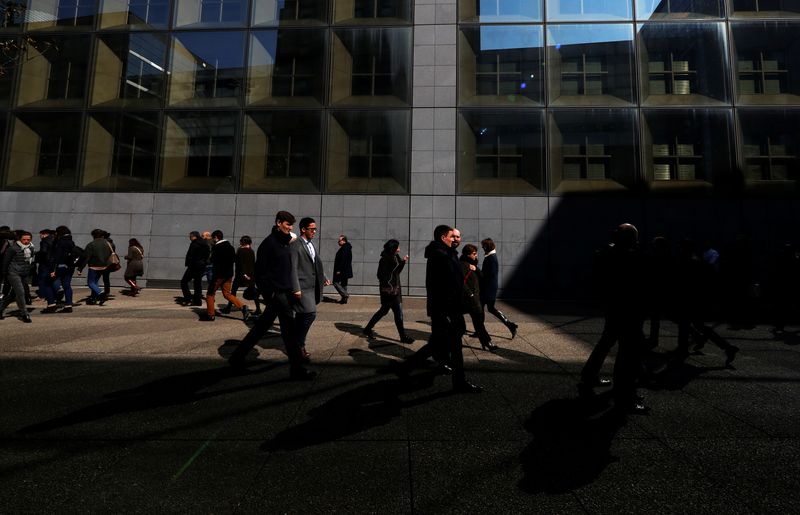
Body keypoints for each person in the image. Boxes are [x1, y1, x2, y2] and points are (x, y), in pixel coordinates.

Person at [228, 211, 316, 380]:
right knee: (289, 333)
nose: (290, 228)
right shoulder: (269, 244)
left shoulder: (286, 243)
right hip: (278, 295)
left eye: (291, 225)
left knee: (260, 328)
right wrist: (271, 294)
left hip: (284, 293)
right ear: (278, 223)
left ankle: (236, 358)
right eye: (287, 224)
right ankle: (297, 370)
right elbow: (260, 273)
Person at [398, 225, 482, 393]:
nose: (455, 239)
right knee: (451, 345)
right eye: (452, 236)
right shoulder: (442, 256)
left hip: (447, 309)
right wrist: (447, 312)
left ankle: (410, 366)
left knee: (439, 343)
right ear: (444, 237)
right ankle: (459, 382)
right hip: (447, 309)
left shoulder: (445, 254)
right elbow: (443, 287)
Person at [291, 217, 331, 361]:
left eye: (315, 229)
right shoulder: (296, 245)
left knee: (302, 316)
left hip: (312, 286)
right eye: (311, 229)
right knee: (310, 314)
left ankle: (296, 343)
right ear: (303, 229)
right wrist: (296, 288)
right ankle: (299, 345)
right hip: (302, 287)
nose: (314, 231)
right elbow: (293, 268)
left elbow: (315, 262)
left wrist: (324, 276)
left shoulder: (311, 244)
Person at [362, 239, 414, 343]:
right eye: (397, 247)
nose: (399, 250)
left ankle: (368, 329)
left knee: (386, 311)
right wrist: (390, 285)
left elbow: (397, 272)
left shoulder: (395, 257)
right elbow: (380, 275)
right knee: (395, 313)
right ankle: (403, 337)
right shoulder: (384, 259)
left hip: (395, 290)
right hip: (389, 292)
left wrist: (403, 262)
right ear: (393, 249)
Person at [202, 230, 249, 322]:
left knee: (210, 294)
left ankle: (211, 315)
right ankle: (243, 307)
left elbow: (212, 260)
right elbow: (234, 260)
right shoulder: (230, 247)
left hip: (218, 275)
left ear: (216, 237)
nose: (212, 239)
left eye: (213, 238)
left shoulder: (216, 247)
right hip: (228, 275)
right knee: (227, 294)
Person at [460, 244, 497, 351]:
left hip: (474, 300)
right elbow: (461, 282)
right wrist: (470, 293)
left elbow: (483, 278)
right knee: (460, 325)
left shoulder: (473, 265)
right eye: (474, 254)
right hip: (467, 300)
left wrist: (476, 269)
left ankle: (487, 342)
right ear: (468, 254)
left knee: (478, 323)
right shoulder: (463, 265)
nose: (476, 256)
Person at [480, 238, 518, 338]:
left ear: (487, 246)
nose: (482, 247)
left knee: (482, 308)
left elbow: (490, 274)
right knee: (489, 308)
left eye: (483, 246)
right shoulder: (491, 256)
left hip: (487, 289)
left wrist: (479, 273)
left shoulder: (491, 258)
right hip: (489, 288)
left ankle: (480, 330)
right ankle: (510, 325)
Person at [221, 236, 261, 316]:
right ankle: (258, 308)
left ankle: (228, 307)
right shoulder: (251, 251)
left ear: (242, 242)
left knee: (233, 291)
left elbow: (240, 264)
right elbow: (252, 263)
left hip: (241, 275)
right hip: (251, 275)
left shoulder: (240, 251)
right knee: (253, 292)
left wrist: (244, 274)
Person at [0, 230, 34, 322]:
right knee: (21, 292)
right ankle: (24, 314)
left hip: (24, 273)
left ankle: (0, 309)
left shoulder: (31, 248)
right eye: (24, 239)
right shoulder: (13, 248)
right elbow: (6, 261)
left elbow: (30, 261)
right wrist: (4, 273)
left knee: (13, 294)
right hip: (13, 273)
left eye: (28, 239)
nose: (26, 241)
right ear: (20, 239)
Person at [77, 229, 113, 305]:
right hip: (105, 266)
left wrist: (80, 268)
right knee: (95, 282)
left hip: (94, 266)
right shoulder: (108, 244)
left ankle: (101, 293)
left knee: (91, 283)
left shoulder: (91, 244)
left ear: (93, 235)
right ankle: (93, 298)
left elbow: (86, 258)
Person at [47, 225, 78, 313]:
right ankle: (68, 305)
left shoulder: (60, 242)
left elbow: (56, 256)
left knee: (50, 282)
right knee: (67, 285)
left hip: (60, 266)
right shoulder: (71, 242)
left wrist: (53, 269)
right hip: (70, 267)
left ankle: (56, 295)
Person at [180, 231, 209, 306]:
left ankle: (188, 298)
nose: (189, 238)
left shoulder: (194, 244)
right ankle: (198, 301)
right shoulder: (205, 243)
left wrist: (189, 263)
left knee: (184, 282)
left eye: (190, 236)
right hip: (202, 266)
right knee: (197, 283)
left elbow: (190, 255)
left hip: (193, 266)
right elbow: (207, 255)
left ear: (194, 236)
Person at [36, 229, 58, 313]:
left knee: (45, 283)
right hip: (54, 264)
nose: (40, 236)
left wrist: (37, 257)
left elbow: (43, 252)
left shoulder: (44, 241)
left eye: (40, 235)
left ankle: (50, 303)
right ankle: (55, 296)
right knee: (52, 281)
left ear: (44, 234)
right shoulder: (56, 240)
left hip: (46, 264)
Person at [333, 234, 353, 304]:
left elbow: (343, 260)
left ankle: (345, 294)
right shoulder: (346, 247)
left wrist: (339, 270)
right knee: (344, 284)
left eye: (339, 241)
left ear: (344, 241)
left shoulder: (345, 248)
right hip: (345, 269)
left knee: (335, 282)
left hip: (342, 270)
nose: (338, 242)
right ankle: (344, 300)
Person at [101, 232, 117, 297]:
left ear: (103, 237)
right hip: (109, 263)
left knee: (100, 278)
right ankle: (107, 291)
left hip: (104, 262)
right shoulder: (112, 243)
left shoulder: (104, 243)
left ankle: (100, 293)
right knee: (106, 278)